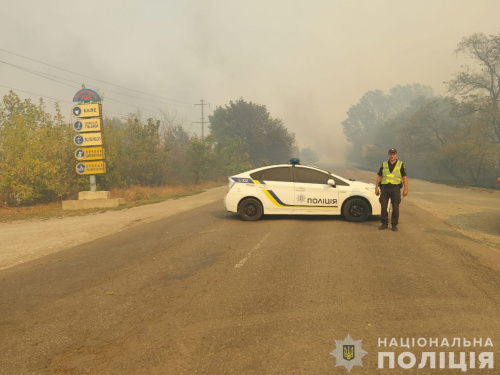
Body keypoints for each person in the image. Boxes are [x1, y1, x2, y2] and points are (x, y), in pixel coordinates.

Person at [375, 148, 408, 231]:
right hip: (385, 188)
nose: (392, 156)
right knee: (383, 207)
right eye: (390, 154)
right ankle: (384, 223)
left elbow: (404, 177)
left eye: (393, 154)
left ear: (396, 155)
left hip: (395, 188)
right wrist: (376, 188)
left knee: (395, 207)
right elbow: (379, 176)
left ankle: (394, 224)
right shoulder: (384, 164)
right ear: (388, 155)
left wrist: (406, 189)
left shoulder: (400, 164)